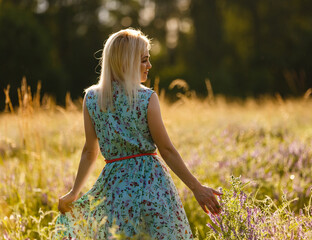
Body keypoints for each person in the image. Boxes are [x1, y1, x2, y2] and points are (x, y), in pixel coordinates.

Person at [54, 28, 222, 240]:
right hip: (152, 185)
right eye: (144, 60)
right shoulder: (147, 98)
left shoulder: (92, 99)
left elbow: (89, 151)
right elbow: (167, 150)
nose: (149, 66)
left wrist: (74, 192)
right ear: (127, 61)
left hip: (115, 189)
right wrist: (197, 188)